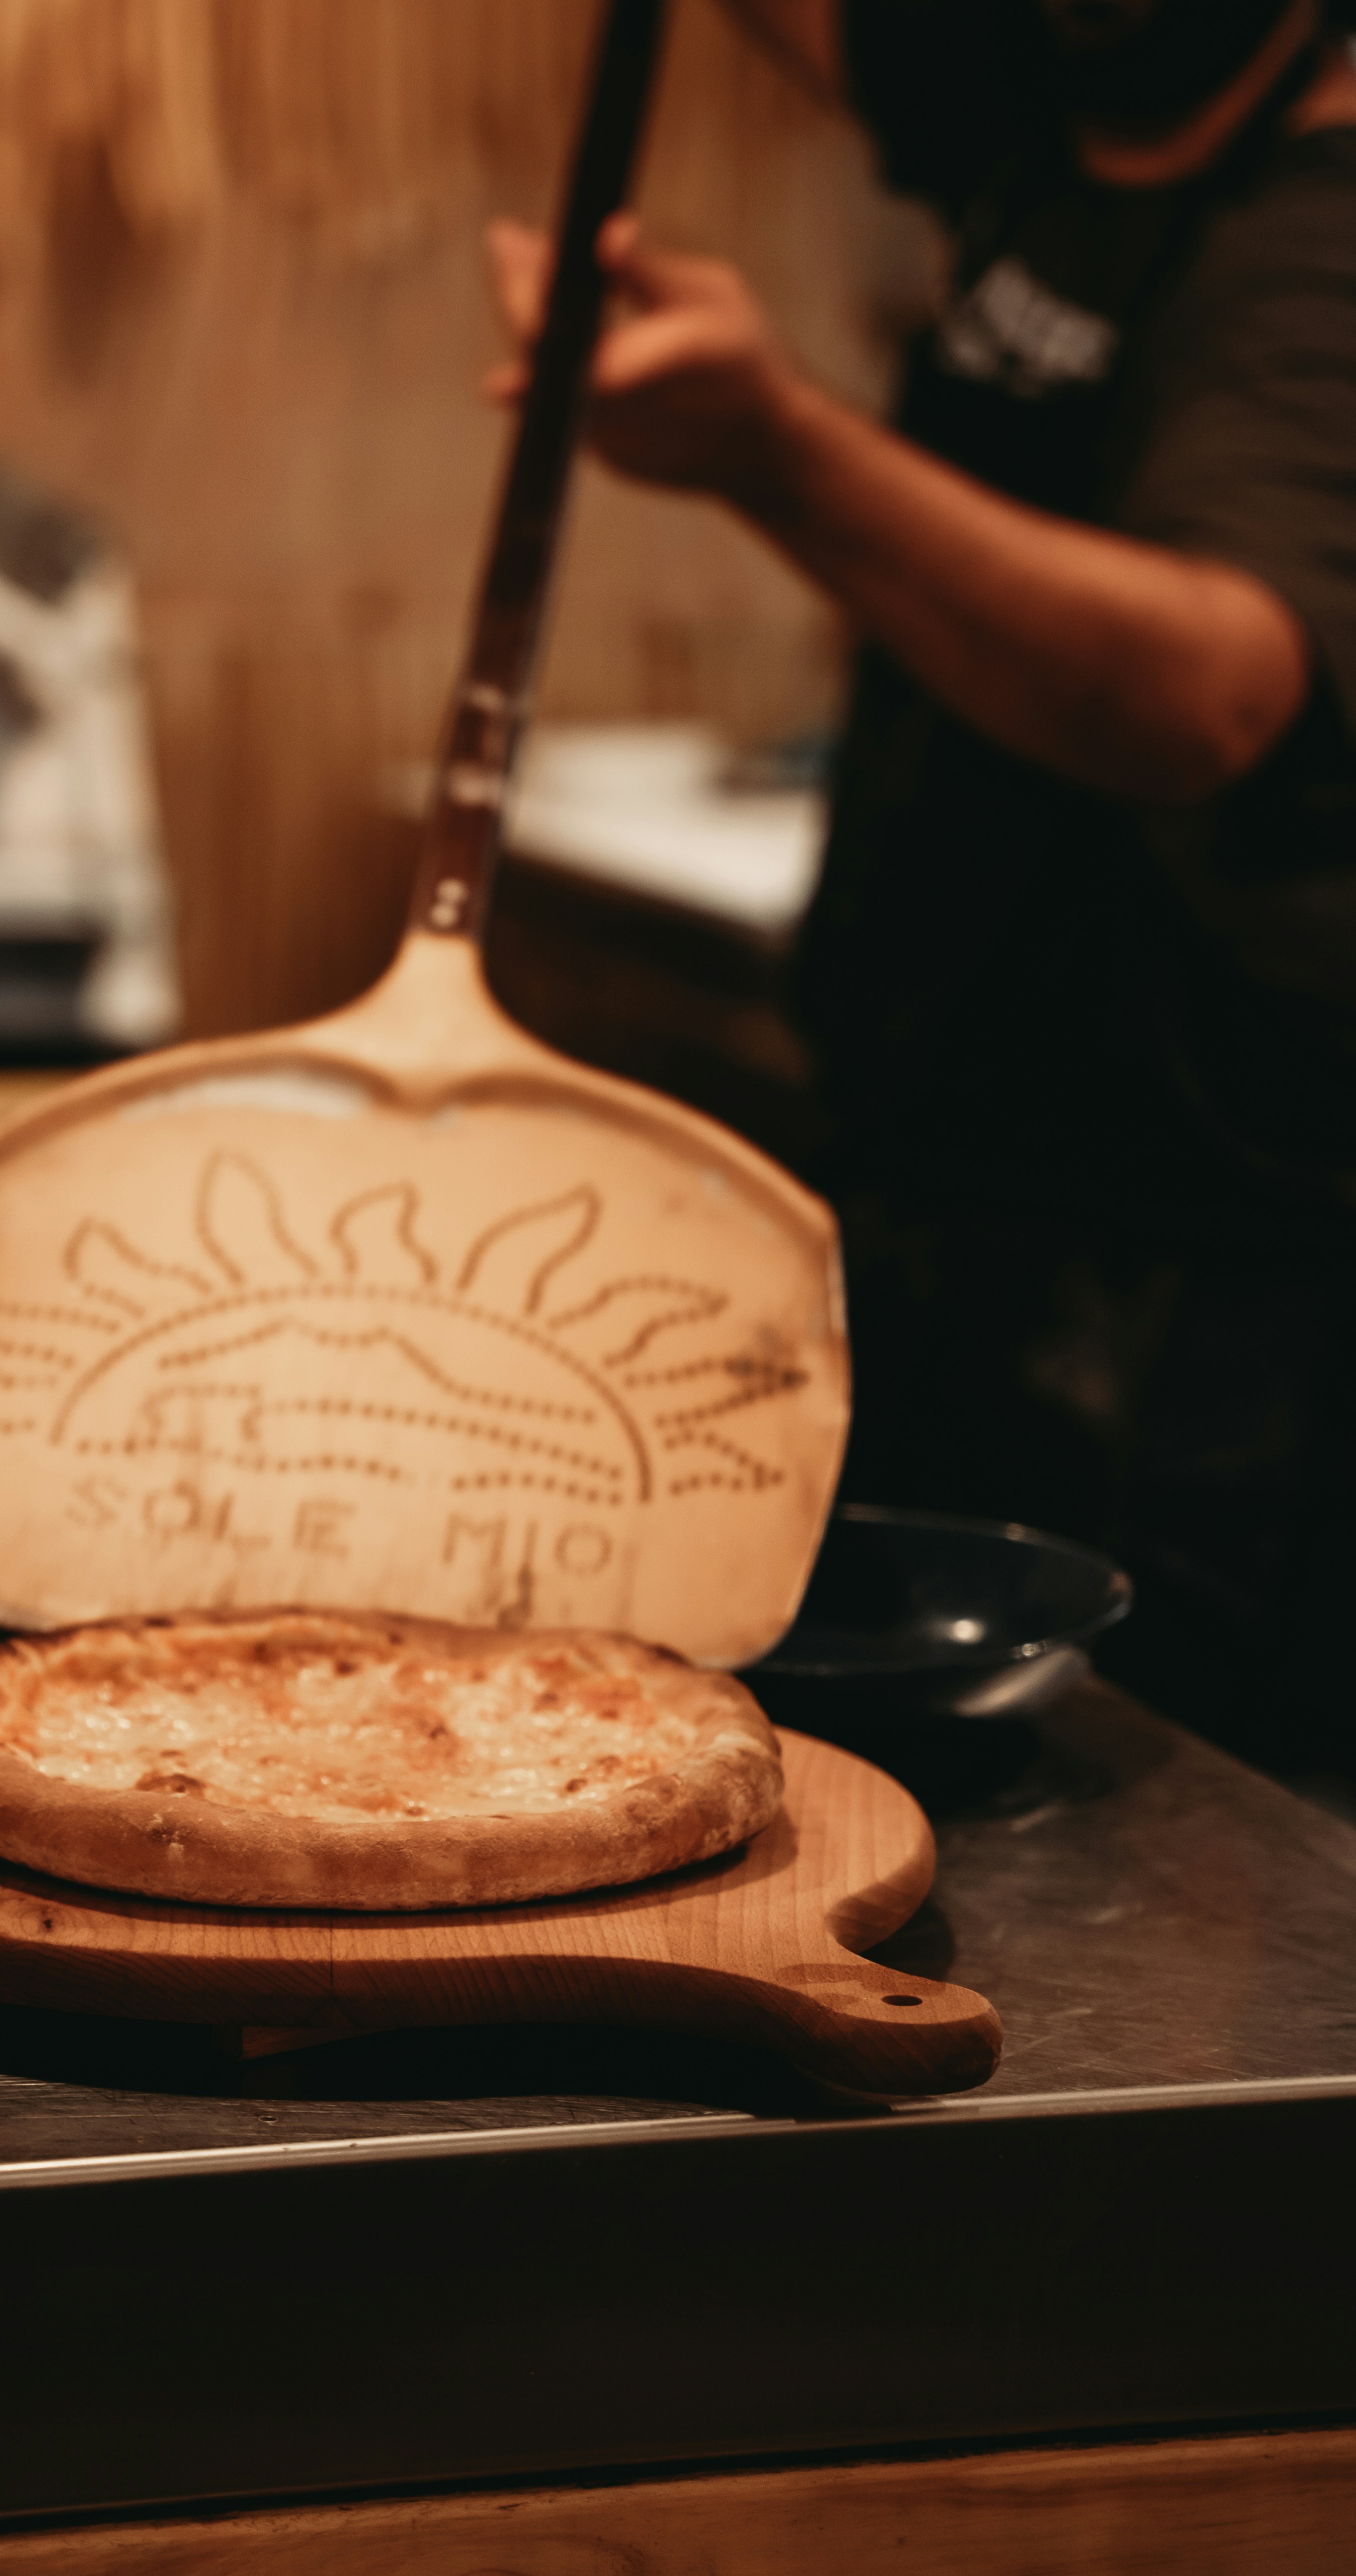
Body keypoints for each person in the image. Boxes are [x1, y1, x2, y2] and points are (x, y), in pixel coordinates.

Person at [490, 0, 1356, 1770]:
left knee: (1166, 1846)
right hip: (956, 1181)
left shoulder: (1315, 240)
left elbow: (1211, 687)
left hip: (1202, 1286)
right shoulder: (1078, 75)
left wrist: (773, 450)